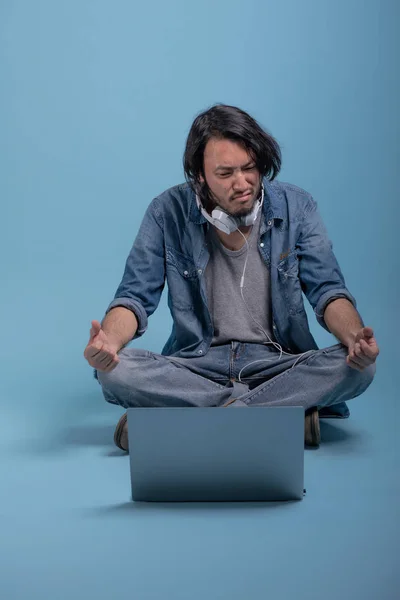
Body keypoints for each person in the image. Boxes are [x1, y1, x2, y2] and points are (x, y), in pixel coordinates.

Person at [83, 104, 379, 451]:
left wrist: (356, 337)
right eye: (225, 174)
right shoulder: (166, 212)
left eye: (250, 169)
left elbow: (328, 291)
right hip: (197, 364)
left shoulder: (298, 208)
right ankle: (279, 422)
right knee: (114, 372)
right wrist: (109, 345)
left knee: (359, 369)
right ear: (200, 175)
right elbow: (134, 297)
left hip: (277, 362)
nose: (242, 184)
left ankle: (193, 422)